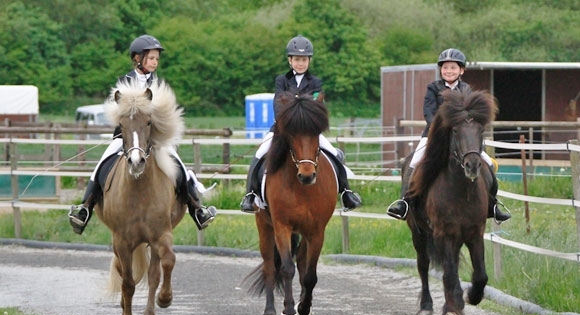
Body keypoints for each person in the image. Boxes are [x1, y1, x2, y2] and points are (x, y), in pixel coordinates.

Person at [68, 34, 216, 234]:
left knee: (180, 166)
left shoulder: (158, 84)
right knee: (101, 165)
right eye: (151, 58)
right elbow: (117, 108)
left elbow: (164, 112)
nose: (155, 62)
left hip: (153, 139)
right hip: (126, 138)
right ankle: (85, 208)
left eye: (157, 59)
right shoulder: (124, 81)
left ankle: (197, 209)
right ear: (138, 58)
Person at [386, 48, 511, 223]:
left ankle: (493, 204)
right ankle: (404, 202)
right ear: (440, 70)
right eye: (445, 68)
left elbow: (471, 113)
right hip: (434, 135)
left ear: (461, 70)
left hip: (462, 138)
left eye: (453, 67)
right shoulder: (433, 88)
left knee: (488, 163)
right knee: (414, 161)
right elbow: (428, 113)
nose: (448, 71)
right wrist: (442, 128)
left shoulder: (466, 89)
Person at [239, 35, 362, 213]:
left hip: (309, 132)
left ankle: (346, 192)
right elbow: (278, 104)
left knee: (334, 154)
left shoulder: (315, 82)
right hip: (283, 130)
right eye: (297, 59)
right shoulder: (282, 80)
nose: (300, 63)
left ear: (309, 61)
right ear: (290, 60)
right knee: (260, 153)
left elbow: (317, 105)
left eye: (304, 60)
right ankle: (250, 194)